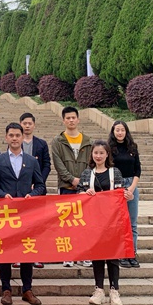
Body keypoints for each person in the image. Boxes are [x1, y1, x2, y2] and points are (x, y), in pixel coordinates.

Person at [0, 123, 46, 305]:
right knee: (6, 252)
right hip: (6, 213)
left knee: (27, 250)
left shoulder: (32, 160)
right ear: (6, 138)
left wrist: (32, 194)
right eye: (11, 135)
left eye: (17, 135)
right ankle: (6, 289)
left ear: (22, 137)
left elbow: (41, 185)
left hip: (26, 213)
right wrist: (2, 195)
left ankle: (27, 289)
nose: (14, 138)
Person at [78, 139, 132, 305]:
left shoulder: (114, 172)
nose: (98, 156)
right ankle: (99, 289)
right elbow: (79, 192)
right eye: (96, 153)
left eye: (102, 153)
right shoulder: (87, 173)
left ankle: (114, 290)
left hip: (113, 220)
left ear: (107, 154)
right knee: (97, 255)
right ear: (91, 155)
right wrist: (84, 193)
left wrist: (126, 195)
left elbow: (121, 192)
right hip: (94, 221)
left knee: (113, 255)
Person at [50, 106, 93, 268]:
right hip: (66, 187)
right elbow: (58, 165)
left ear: (78, 119)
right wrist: (72, 180)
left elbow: (92, 163)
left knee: (83, 223)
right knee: (66, 222)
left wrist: (82, 182)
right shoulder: (57, 141)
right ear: (63, 120)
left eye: (73, 117)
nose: (71, 120)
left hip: (85, 188)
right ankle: (68, 254)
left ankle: (84, 254)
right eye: (68, 118)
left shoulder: (88, 141)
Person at [18, 112, 53, 270]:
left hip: (37, 189)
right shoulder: (16, 141)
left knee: (37, 224)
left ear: (34, 125)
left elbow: (47, 165)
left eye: (29, 123)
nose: (27, 126)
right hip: (19, 191)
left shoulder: (41, 143)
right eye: (24, 123)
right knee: (19, 224)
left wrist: (38, 183)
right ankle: (18, 255)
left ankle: (37, 255)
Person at [109, 121, 142, 268]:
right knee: (119, 223)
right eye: (117, 130)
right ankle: (121, 254)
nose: (120, 132)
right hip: (115, 186)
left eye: (122, 130)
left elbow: (137, 170)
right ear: (113, 132)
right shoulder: (109, 148)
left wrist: (131, 188)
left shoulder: (132, 148)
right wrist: (120, 188)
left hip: (131, 185)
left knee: (132, 223)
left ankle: (132, 254)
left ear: (126, 131)